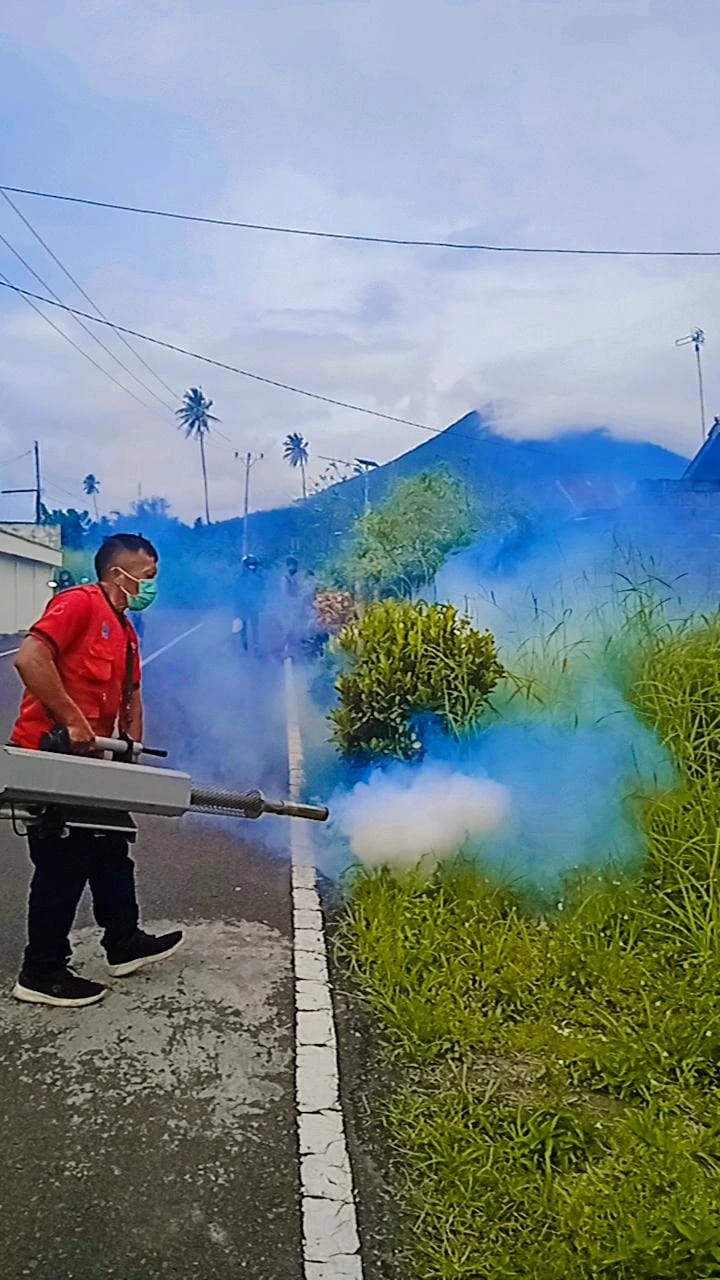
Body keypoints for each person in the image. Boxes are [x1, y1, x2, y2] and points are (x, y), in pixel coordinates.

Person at [10, 532, 183, 1009]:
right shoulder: (79, 605)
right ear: (117, 573)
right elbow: (30, 657)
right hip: (51, 758)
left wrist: (132, 751)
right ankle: (41, 970)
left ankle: (123, 942)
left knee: (111, 847)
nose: (150, 586)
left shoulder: (125, 630)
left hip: (93, 764)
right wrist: (72, 719)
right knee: (63, 863)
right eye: (146, 577)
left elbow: (130, 694)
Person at [233, 554, 264, 655]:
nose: (252, 566)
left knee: (255, 626)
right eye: (250, 564)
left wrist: (262, 603)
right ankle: (244, 646)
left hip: (254, 606)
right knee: (243, 627)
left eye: (254, 564)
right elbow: (236, 593)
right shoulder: (241, 578)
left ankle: (256, 646)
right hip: (243, 606)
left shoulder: (259, 578)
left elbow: (262, 591)